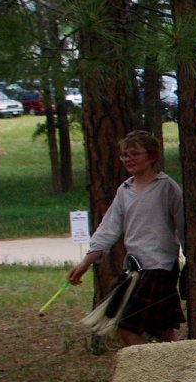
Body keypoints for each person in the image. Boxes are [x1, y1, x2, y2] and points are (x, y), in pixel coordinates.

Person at [68, 131, 185, 344]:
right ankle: (172, 372)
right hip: (136, 269)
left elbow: (184, 225)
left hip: (160, 267)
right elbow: (108, 229)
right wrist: (85, 262)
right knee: (160, 328)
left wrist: (192, 262)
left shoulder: (166, 187)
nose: (128, 159)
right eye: (124, 155)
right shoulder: (125, 190)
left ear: (152, 157)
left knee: (128, 326)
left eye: (134, 153)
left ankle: (147, 373)